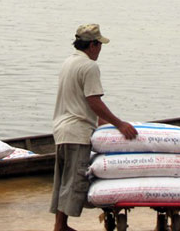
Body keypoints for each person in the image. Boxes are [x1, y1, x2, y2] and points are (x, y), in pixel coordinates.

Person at [50, 24, 137, 231]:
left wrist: (104, 125)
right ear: (92, 45)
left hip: (61, 130)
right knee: (74, 182)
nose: (100, 50)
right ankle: (61, 227)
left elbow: (79, 100)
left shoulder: (68, 62)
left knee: (63, 181)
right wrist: (120, 124)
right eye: (99, 45)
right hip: (77, 132)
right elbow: (93, 101)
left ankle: (60, 225)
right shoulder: (89, 67)